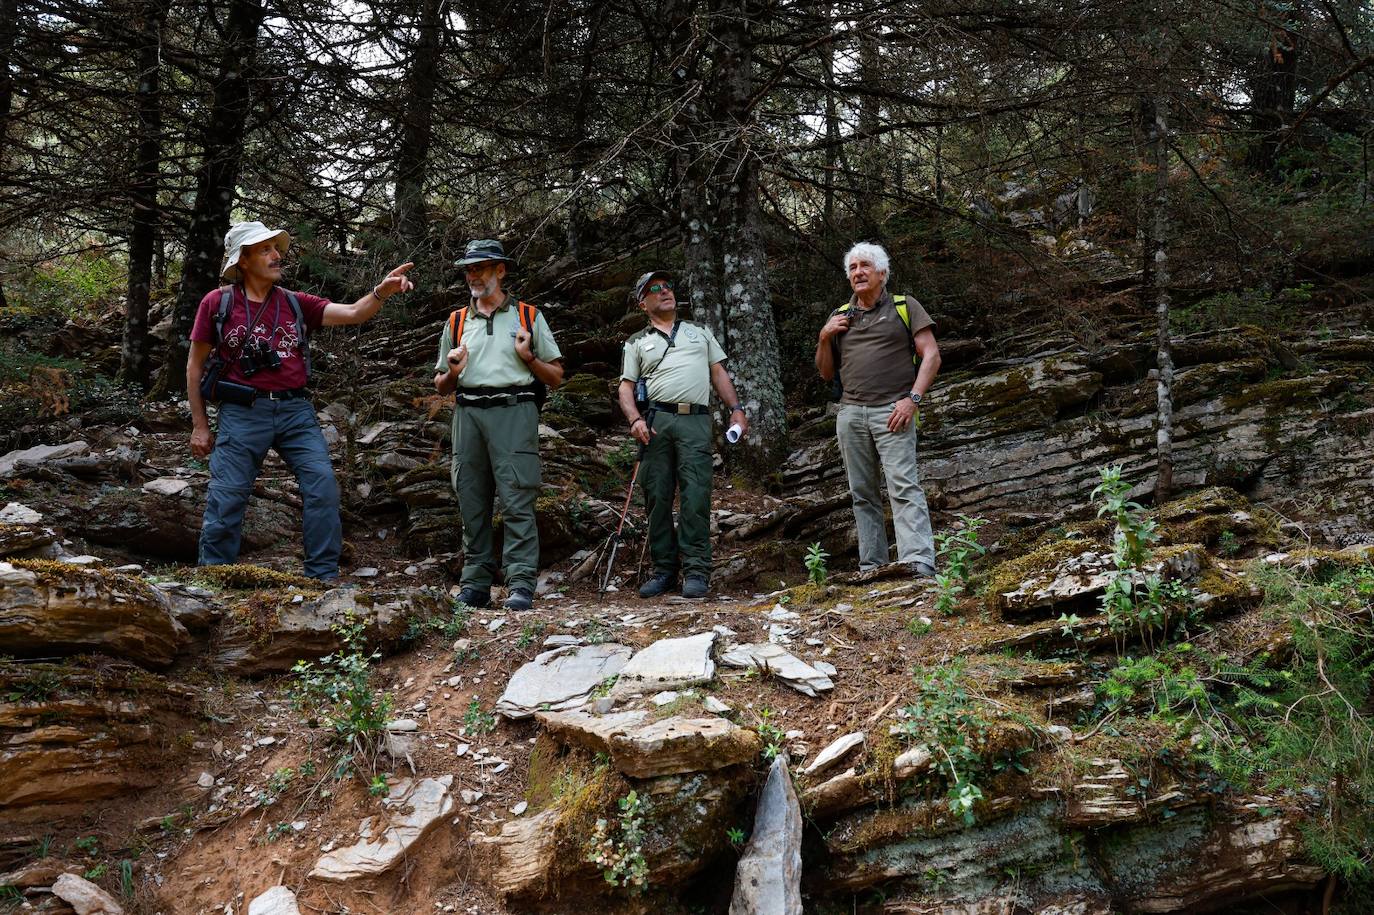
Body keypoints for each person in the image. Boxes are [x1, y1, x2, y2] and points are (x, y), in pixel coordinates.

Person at [187, 220, 414, 580]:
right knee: (228, 495)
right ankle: (214, 579)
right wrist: (200, 425)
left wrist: (381, 291)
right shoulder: (218, 303)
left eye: (276, 249)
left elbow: (354, 313)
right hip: (243, 411)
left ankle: (322, 577)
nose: (276, 256)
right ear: (242, 261)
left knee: (322, 486)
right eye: (265, 250)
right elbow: (195, 365)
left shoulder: (295, 303)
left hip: (295, 411)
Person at [433, 239, 564, 611]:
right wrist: (453, 372)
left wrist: (528, 356)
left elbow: (555, 376)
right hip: (468, 412)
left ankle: (521, 581)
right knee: (471, 496)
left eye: (481, 268)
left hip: (514, 410)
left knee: (517, 496)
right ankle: (475, 583)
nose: (473, 275)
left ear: (500, 271)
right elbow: (440, 383)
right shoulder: (457, 321)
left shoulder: (528, 316)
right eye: (469, 269)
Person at [617, 270, 748, 599]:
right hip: (656, 420)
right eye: (654, 289)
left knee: (695, 494)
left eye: (667, 286)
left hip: (695, 420)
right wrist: (635, 420)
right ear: (642, 303)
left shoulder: (699, 332)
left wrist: (737, 409)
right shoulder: (636, 342)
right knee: (657, 496)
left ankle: (697, 571)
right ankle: (664, 571)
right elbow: (626, 387)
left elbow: (718, 372)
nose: (664, 292)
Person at [815, 242, 941, 576]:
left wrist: (912, 399)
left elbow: (932, 355)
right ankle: (872, 565)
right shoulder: (841, 316)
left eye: (865, 266)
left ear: (882, 273)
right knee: (862, 493)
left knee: (903, 485)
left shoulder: (904, 306)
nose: (858, 272)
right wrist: (824, 336)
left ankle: (918, 561)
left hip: (894, 410)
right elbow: (827, 373)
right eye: (853, 267)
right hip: (851, 414)